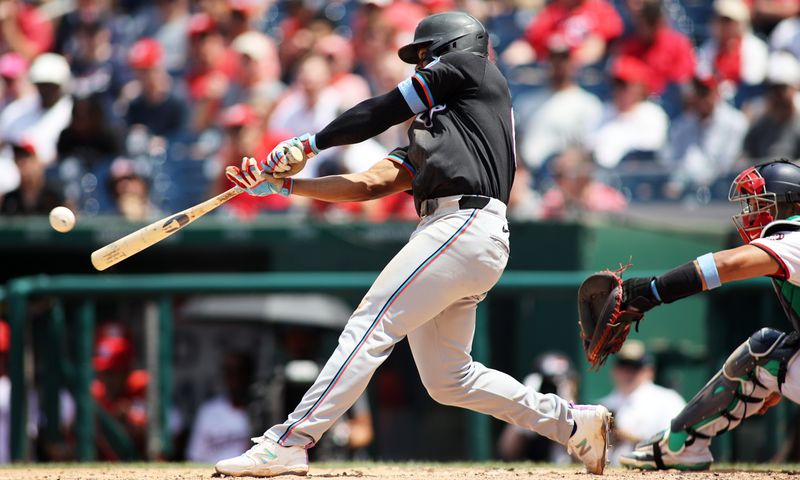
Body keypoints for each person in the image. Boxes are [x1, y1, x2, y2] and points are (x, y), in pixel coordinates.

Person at [217, 12, 611, 477]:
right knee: (449, 378)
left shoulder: (473, 67)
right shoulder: (445, 127)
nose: (420, 64)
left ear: (455, 45)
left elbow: (382, 108)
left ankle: (289, 440)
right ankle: (573, 425)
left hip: (463, 222)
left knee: (370, 324)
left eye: (426, 54)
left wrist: (310, 141)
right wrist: (289, 187)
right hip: (459, 234)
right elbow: (370, 183)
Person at [593, 158, 800, 470]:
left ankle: (681, 444)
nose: (751, 214)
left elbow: (725, 266)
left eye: (759, 204)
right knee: (778, 351)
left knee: (763, 350)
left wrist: (651, 292)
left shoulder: (794, 235)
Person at [516, 38, 603, 171]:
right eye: (553, 58)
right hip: (530, 174)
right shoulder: (526, 102)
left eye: (564, 59)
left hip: (566, 177)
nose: (558, 64)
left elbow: (589, 151)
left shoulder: (588, 104)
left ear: (574, 62)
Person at [599, 340, 685, 465]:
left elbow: (679, 444)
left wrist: (629, 437)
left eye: (634, 367)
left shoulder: (668, 400)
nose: (628, 373)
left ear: (649, 370)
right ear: (614, 370)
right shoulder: (601, 407)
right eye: (623, 366)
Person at [664, 75, 749, 192]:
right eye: (698, 93)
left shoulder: (735, 122)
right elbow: (673, 161)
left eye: (705, 93)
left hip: (720, 190)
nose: (702, 98)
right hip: (685, 190)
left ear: (716, 93)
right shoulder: (682, 125)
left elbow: (727, 164)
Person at [589, 56, 669, 169]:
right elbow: (590, 147)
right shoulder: (603, 111)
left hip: (635, 176)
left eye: (624, 84)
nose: (618, 89)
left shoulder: (652, 114)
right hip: (602, 175)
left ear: (640, 87)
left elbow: (647, 153)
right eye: (615, 83)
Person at [497, 352, 577, 463]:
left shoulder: (587, 412)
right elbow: (508, 452)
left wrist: (567, 405)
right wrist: (524, 404)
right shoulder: (534, 414)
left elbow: (580, 459)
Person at [186, 352, 254, 463]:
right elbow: (194, 456)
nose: (235, 379)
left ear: (249, 374)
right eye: (230, 373)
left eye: (240, 371)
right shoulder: (209, 411)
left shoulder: (262, 412)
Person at [615, 0, 695, 95]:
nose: (642, 30)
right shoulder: (632, 45)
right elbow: (621, 71)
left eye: (646, 25)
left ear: (657, 24)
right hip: (639, 99)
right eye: (640, 25)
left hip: (669, 98)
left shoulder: (678, 43)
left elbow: (683, 78)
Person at [524, 0, 623, 66]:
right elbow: (534, 37)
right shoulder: (553, 10)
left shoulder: (599, 7)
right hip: (555, 64)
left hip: (585, 69)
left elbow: (609, 33)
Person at [743, 51, 800, 164]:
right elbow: (745, 158)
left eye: (782, 88)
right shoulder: (758, 120)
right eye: (773, 89)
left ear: (795, 87)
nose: (777, 95)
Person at [539, 147, 627, 219]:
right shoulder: (553, 201)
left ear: (583, 176)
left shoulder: (610, 203)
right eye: (556, 174)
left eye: (563, 174)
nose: (557, 181)